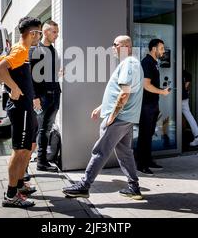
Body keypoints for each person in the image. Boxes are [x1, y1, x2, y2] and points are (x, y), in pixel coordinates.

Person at [62, 36, 144, 200]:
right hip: (125, 118)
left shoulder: (129, 64)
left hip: (119, 118)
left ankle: (84, 186)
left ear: (126, 46)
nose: (112, 47)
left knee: (100, 150)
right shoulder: (130, 63)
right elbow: (118, 93)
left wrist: (112, 116)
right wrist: (102, 108)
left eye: (115, 44)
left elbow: (124, 93)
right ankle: (134, 188)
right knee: (125, 153)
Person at [0, 17, 42, 208]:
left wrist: (8, 87)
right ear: (32, 33)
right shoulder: (19, 50)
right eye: (39, 33)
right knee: (19, 151)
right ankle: (11, 196)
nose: (39, 37)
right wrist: (12, 88)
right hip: (21, 109)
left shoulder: (19, 50)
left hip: (24, 107)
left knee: (26, 149)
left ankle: (19, 186)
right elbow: (0, 68)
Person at [30, 20, 61, 172]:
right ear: (46, 31)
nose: (57, 35)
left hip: (55, 95)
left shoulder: (53, 50)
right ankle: (33, 164)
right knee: (39, 130)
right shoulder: (36, 50)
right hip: (42, 97)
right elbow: (32, 76)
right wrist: (35, 97)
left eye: (57, 32)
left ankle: (42, 162)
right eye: (54, 32)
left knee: (47, 130)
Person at [135, 39, 170, 175]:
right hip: (146, 105)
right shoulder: (147, 62)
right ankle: (141, 164)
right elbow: (146, 85)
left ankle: (148, 160)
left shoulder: (154, 63)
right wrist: (162, 91)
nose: (163, 51)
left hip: (152, 104)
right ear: (154, 49)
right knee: (144, 135)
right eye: (161, 48)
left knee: (148, 134)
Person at [182, 69, 198, 147]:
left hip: (177, 96)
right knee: (189, 116)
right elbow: (189, 76)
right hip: (183, 96)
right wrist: (185, 87)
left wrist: (185, 87)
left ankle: (166, 137)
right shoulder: (182, 71)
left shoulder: (175, 67)